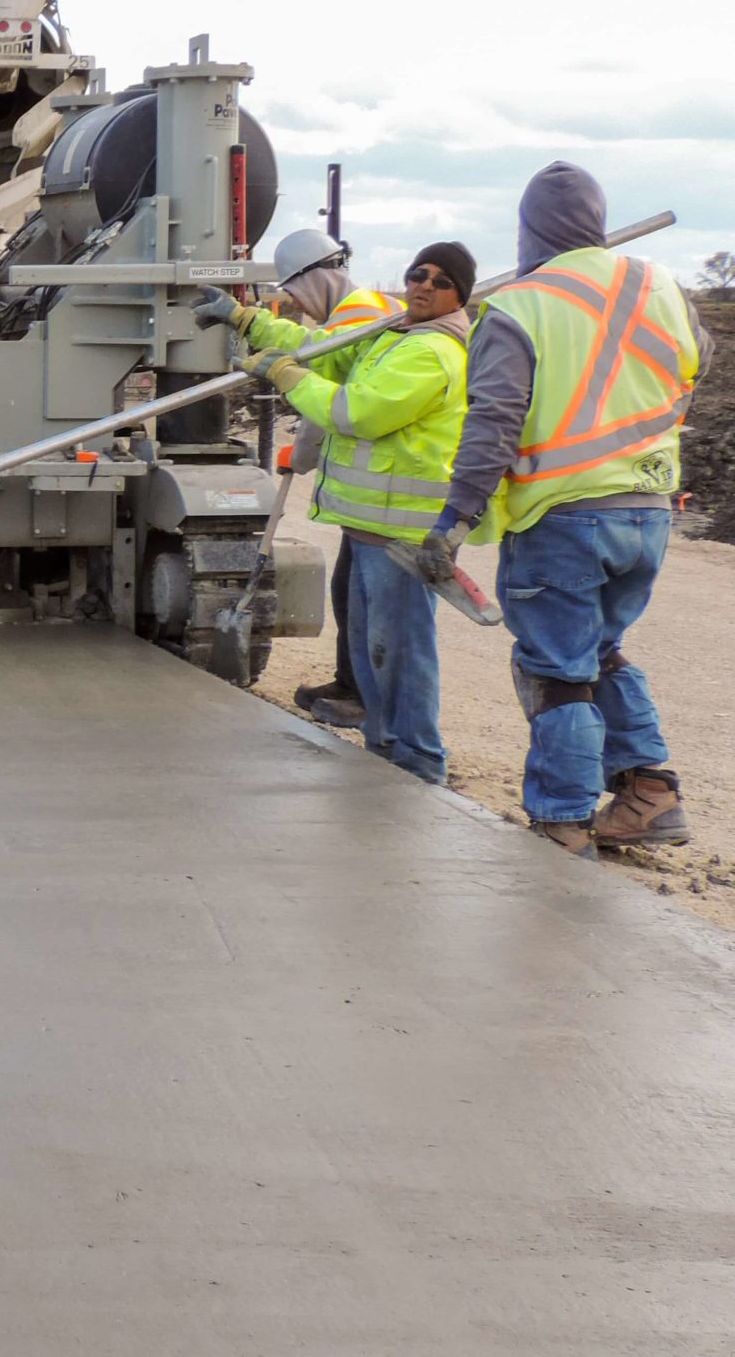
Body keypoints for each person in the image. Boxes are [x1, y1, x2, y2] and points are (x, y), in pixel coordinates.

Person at [422, 163, 708, 857]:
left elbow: (492, 422)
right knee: (600, 651)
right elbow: (694, 366)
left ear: (528, 230)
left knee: (558, 671)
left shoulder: (521, 305)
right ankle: (650, 792)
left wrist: (453, 521)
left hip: (563, 516)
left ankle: (562, 821)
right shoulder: (659, 286)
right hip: (648, 508)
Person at [216, 243, 476, 784]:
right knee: (371, 648)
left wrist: (288, 377)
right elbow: (317, 345)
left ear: (461, 295)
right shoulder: (397, 332)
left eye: (442, 280)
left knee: (401, 651)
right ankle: (385, 748)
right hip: (369, 524)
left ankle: (419, 762)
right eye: (417, 273)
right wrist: (245, 319)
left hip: (402, 530)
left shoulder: (430, 351)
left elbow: (356, 412)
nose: (424, 284)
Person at [199, 228, 394, 730]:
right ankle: (351, 684)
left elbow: (312, 359)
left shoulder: (361, 314)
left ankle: (369, 702)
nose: (296, 302)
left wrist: (245, 319)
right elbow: (322, 376)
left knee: (371, 602)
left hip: (389, 491)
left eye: (295, 290)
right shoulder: (353, 313)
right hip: (371, 492)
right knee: (349, 590)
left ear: (319, 276)